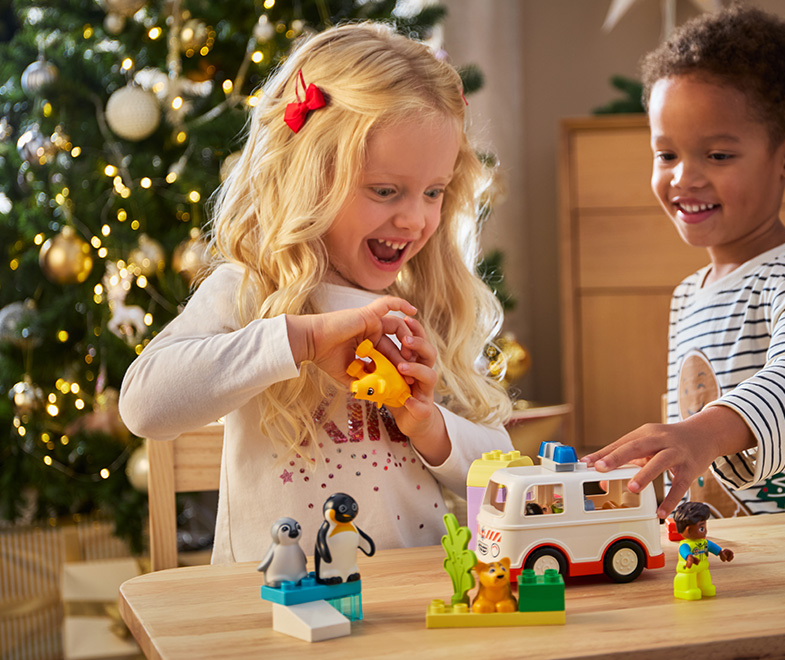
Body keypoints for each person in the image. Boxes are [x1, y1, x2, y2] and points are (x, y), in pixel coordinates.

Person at [119, 22, 514, 563]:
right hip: (277, 612)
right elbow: (144, 405)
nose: (415, 218)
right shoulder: (252, 292)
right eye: (384, 190)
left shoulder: (430, 304)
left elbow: (503, 472)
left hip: (414, 614)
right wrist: (297, 340)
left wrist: (430, 426)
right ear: (308, 176)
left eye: (433, 192)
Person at [582, 6, 785, 520]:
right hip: (733, 553)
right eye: (666, 155)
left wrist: (699, 433)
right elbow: (693, 456)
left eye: (718, 155)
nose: (684, 178)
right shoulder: (687, 296)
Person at [671, 502, 733, 600]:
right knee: (688, 579)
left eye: (704, 527)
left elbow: (712, 547)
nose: (704, 531)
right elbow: (684, 551)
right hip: (689, 570)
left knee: (705, 579)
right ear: (688, 530)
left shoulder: (704, 542)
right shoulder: (685, 544)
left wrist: (721, 553)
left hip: (703, 567)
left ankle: (705, 587)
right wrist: (688, 557)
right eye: (701, 528)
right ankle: (686, 590)